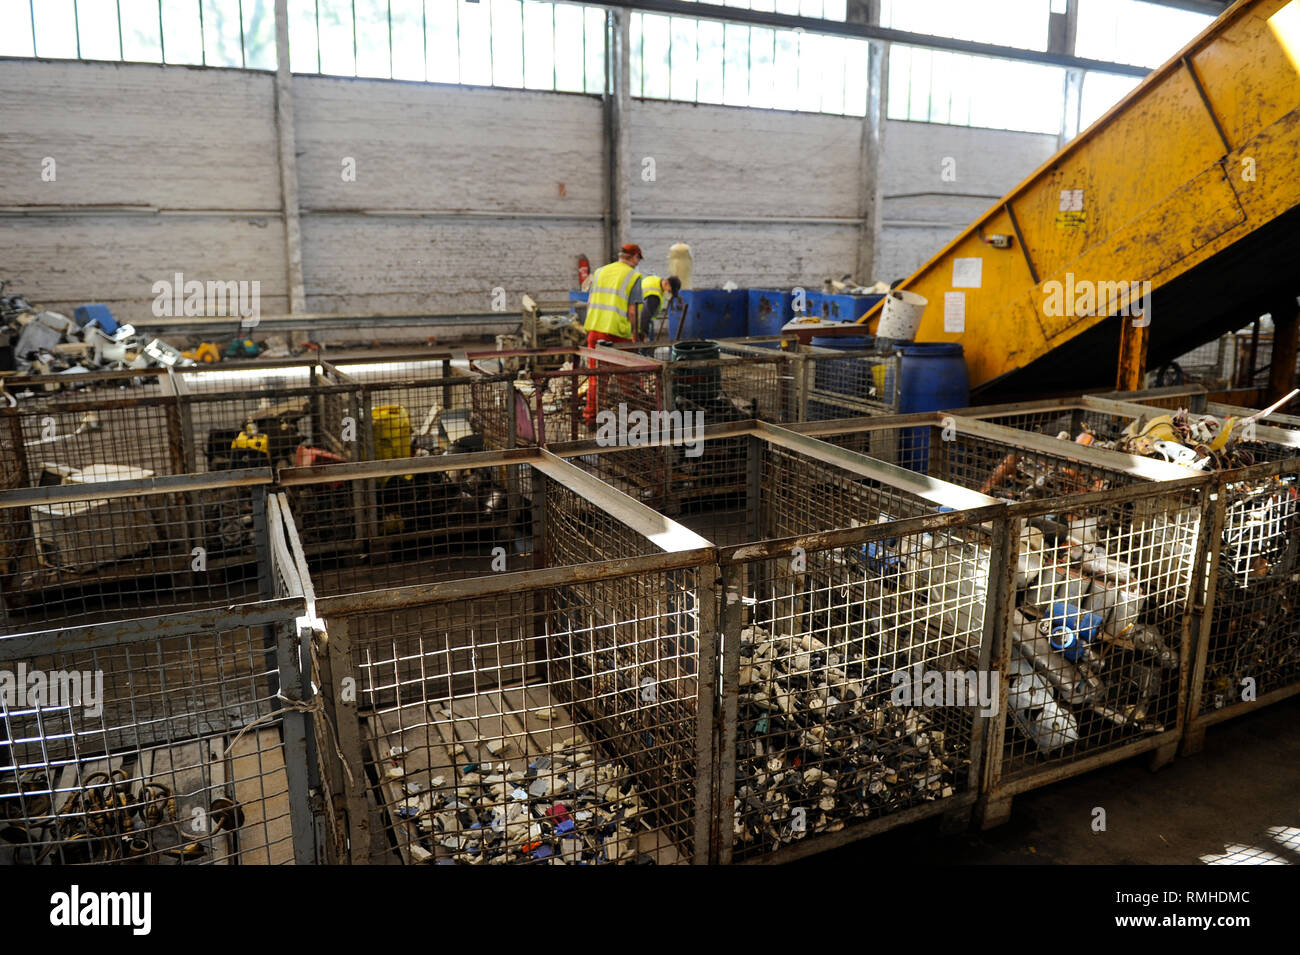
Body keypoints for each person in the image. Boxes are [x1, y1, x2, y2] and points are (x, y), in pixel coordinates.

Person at [583, 243, 645, 422]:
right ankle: (635, 417)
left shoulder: (600, 272)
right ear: (634, 257)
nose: (637, 263)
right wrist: (635, 334)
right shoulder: (633, 276)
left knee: (596, 378)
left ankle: (591, 418)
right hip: (617, 333)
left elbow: (589, 303)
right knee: (627, 379)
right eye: (638, 259)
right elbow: (632, 312)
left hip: (595, 330)